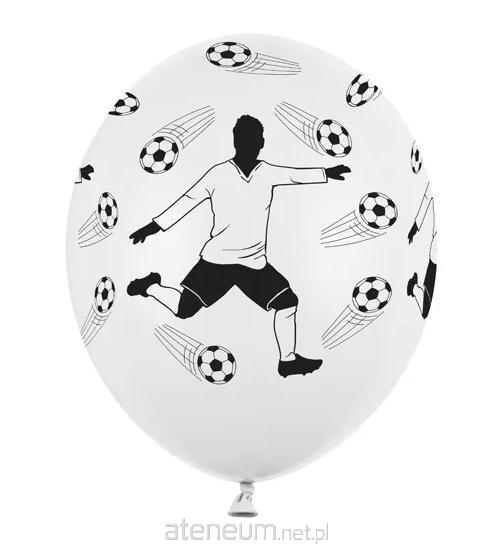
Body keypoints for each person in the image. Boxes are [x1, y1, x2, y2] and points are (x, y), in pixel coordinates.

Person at [127, 115, 351, 377]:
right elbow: (187, 200)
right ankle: (150, 286)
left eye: (254, 140)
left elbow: (294, 176)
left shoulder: (267, 172)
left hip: (252, 263)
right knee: (184, 310)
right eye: (245, 140)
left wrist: (326, 173)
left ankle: (287, 361)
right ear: (236, 142)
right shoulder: (218, 174)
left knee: (287, 302)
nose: (250, 145)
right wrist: (153, 226)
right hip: (217, 261)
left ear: (262, 143)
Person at [407, 182, 437, 319]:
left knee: (427, 310)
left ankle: (413, 287)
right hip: (436, 256)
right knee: (427, 310)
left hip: (435, 255)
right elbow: (427, 197)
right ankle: (413, 287)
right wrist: (416, 225)